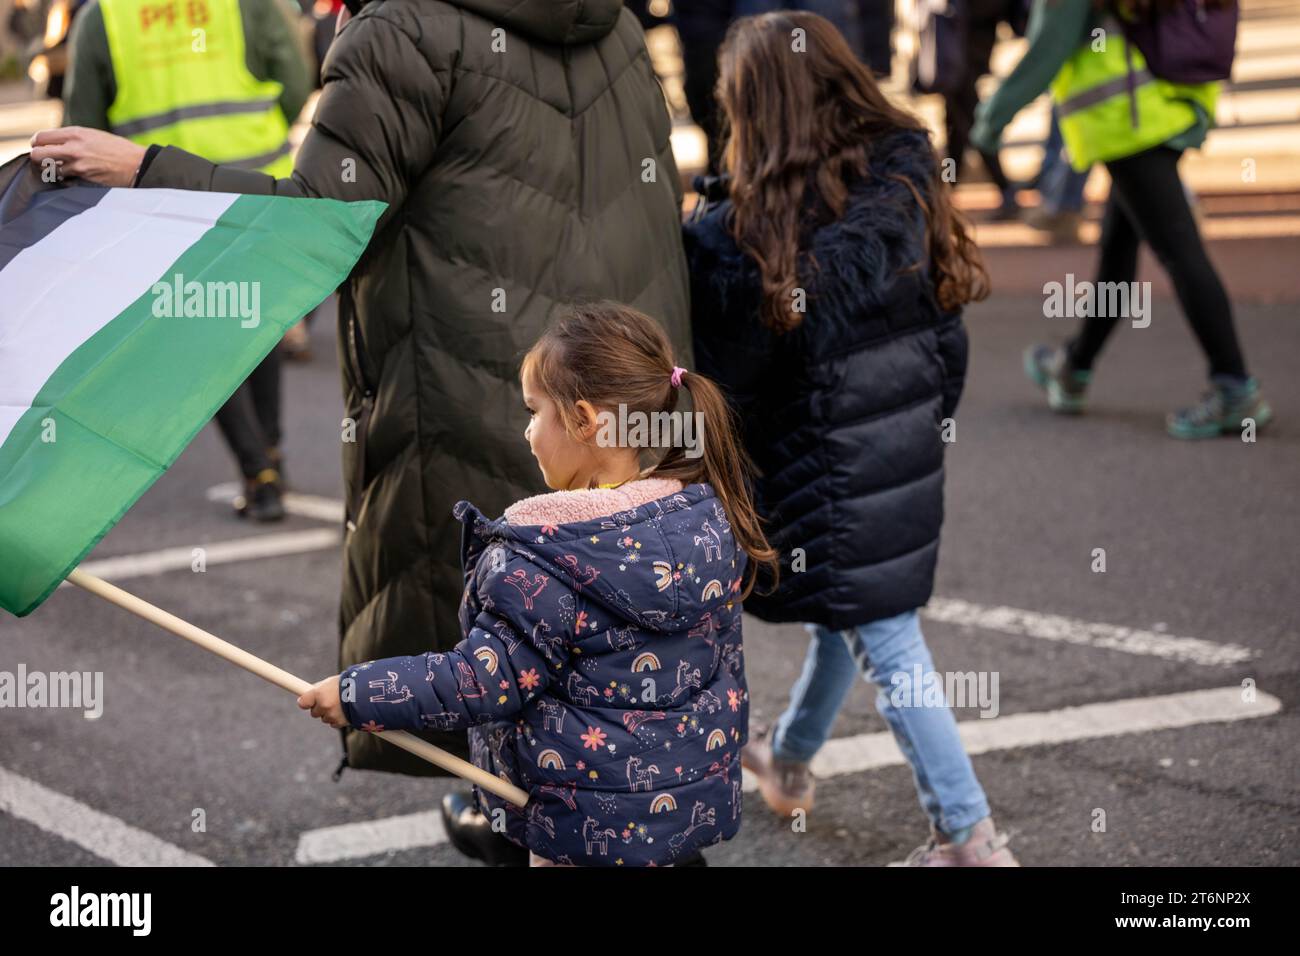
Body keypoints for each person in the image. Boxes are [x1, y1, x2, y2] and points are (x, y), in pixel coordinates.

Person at [33, 0, 693, 864]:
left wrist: (145, 169)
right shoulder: (611, 22)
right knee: (618, 716)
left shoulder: (402, 31)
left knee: (516, 750)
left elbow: (318, 219)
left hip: (482, 407)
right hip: (633, 421)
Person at [684, 11, 1018, 866]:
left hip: (820, 468)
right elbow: (948, 329)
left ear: (752, 114)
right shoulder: (902, 190)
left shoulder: (741, 243)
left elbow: (737, 384)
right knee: (857, 615)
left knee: (887, 634)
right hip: (900, 448)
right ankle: (788, 760)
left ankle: (968, 835)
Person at [298, 301, 777, 866]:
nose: (527, 433)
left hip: (579, 825)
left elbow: (480, 680)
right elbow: (725, 669)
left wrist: (358, 694)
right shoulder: (705, 521)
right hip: (674, 813)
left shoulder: (542, 559)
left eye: (534, 412)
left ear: (584, 419)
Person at [971, 0, 1271, 437]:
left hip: (1125, 120)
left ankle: (1235, 387)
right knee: (1118, 250)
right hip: (1161, 104)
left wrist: (988, 124)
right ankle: (1074, 368)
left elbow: (1047, 49)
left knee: (1179, 252)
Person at [62, 0, 313, 519]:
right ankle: (269, 456)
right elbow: (293, 77)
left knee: (202, 337)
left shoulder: (103, 17)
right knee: (256, 321)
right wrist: (256, 130)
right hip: (255, 181)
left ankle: (258, 472)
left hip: (164, 203)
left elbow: (82, 124)